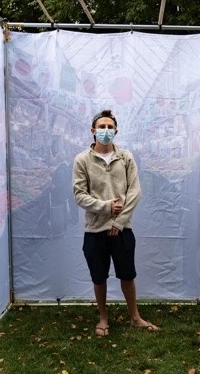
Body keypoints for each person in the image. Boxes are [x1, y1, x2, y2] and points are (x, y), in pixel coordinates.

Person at [72, 109, 159, 337]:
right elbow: (80, 195)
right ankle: (103, 317)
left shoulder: (126, 158)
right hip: (94, 230)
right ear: (93, 131)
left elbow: (135, 192)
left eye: (110, 127)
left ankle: (135, 317)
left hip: (123, 230)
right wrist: (106, 207)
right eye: (101, 127)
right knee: (98, 276)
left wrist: (119, 221)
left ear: (116, 131)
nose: (105, 131)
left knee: (127, 275)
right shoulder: (82, 160)